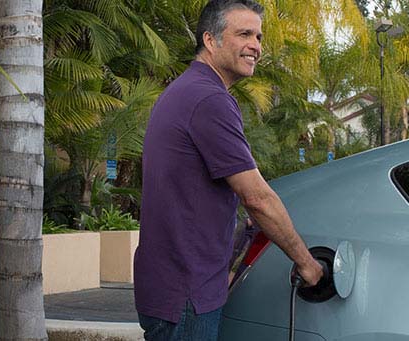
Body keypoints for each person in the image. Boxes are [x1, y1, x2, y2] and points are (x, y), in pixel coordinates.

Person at [133, 1, 324, 340]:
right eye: (244, 34)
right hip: (186, 294)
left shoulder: (186, 90)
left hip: (169, 288)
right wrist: (307, 263)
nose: (256, 46)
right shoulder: (209, 100)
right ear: (210, 40)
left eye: (259, 36)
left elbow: (190, 192)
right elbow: (257, 197)